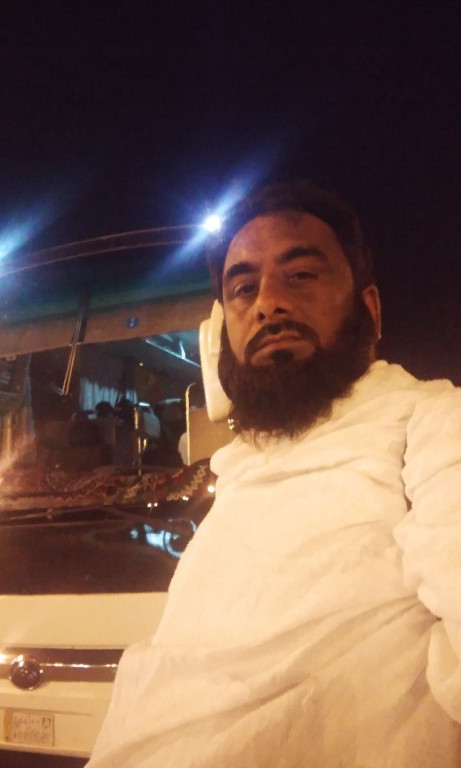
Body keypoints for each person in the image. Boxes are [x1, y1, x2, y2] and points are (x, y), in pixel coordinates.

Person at [86, 180, 461, 767]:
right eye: (243, 288)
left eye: (301, 275)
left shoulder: (431, 422)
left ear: (370, 309)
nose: (268, 303)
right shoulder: (238, 470)